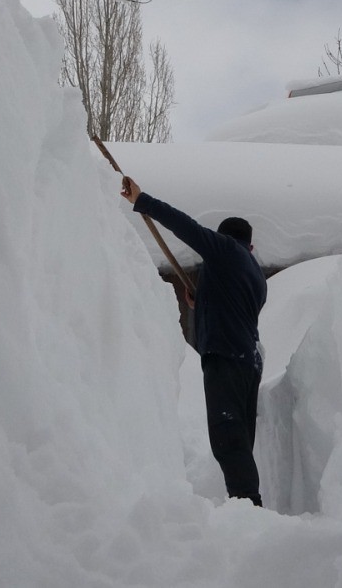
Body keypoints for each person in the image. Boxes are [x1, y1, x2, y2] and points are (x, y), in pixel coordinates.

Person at [120, 176, 267, 507]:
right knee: (241, 440)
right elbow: (234, 308)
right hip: (249, 360)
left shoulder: (224, 250)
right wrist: (200, 301)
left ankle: (249, 506)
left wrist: (143, 201)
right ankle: (248, 505)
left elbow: (183, 226)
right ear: (252, 246)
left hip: (226, 356)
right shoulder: (255, 273)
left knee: (227, 436)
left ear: (223, 238)